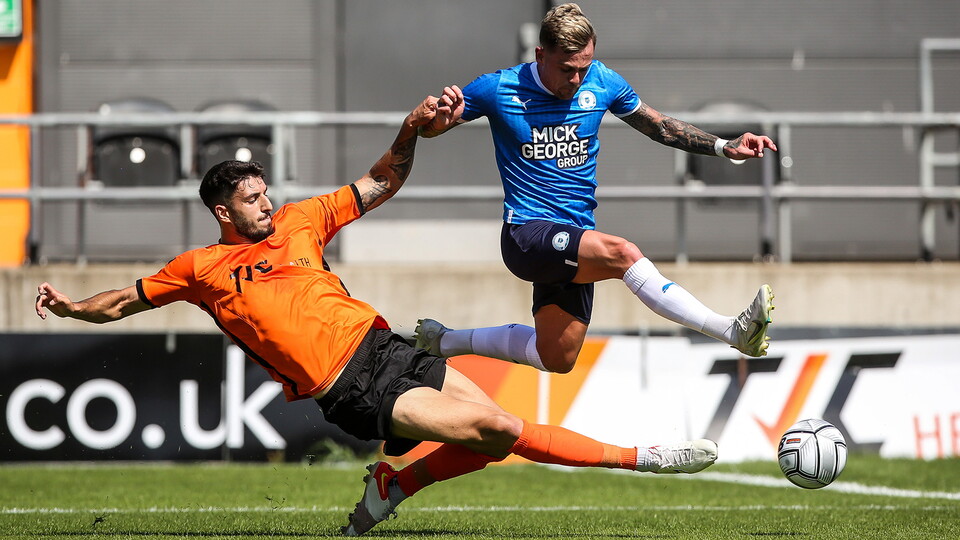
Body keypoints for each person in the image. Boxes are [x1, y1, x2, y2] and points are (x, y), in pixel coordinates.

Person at [35, 87, 718, 537]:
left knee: (486, 437)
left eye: (265, 193)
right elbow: (123, 299)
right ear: (223, 211)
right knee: (500, 427)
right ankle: (643, 457)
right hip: (348, 388)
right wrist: (70, 308)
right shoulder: (201, 269)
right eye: (251, 200)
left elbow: (382, 179)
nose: (266, 205)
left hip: (384, 344)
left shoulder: (301, 221)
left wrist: (412, 128)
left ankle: (394, 481)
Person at [415, 3, 777, 374]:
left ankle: (443, 341)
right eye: (566, 69)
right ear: (541, 55)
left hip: (575, 235)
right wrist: (438, 122)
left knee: (557, 357)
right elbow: (431, 127)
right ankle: (732, 331)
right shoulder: (499, 88)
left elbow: (662, 127)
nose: (575, 80)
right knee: (623, 254)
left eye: (583, 68)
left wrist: (723, 146)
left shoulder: (602, 81)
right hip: (527, 232)